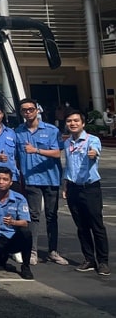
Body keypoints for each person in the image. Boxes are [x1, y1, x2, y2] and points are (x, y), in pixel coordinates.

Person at [15, 96, 67, 265]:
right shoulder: (18, 131)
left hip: (51, 178)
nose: (28, 112)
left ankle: (53, 251)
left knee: (52, 216)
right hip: (31, 179)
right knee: (33, 216)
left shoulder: (52, 130)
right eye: (24, 110)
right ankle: (33, 251)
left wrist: (36, 150)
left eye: (31, 109)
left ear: (37, 110)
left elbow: (57, 153)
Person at [62, 108, 109, 276]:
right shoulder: (67, 143)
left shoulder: (92, 140)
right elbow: (68, 166)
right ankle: (89, 258)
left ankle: (103, 261)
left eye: (76, 121)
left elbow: (95, 151)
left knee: (97, 226)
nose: (72, 124)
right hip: (73, 188)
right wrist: (65, 186)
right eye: (69, 121)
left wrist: (93, 154)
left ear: (83, 123)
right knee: (81, 227)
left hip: (90, 188)